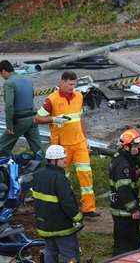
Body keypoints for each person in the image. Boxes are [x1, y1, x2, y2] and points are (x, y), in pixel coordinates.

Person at [35, 71, 99, 217]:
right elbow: (37, 119)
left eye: (74, 84)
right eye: (70, 84)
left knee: (86, 174)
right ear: (62, 82)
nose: (72, 87)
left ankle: (88, 208)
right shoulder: (51, 99)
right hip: (61, 146)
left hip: (79, 143)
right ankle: (67, 207)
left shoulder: (79, 96)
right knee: (63, 178)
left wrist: (85, 138)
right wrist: (53, 119)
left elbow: (80, 118)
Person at [32, 145, 84, 263]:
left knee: (50, 253)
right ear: (53, 160)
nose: (65, 160)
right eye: (62, 158)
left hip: (44, 225)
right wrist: (78, 217)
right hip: (62, 228)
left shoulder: (38, 175)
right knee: (70, 256)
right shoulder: (59, 178)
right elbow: (67, 203)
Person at [109, 129, 140, 256]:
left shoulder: (123, 159)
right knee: (126, 246)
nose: (138, 149)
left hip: (121, 209)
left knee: (125, 243)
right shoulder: (123, 164)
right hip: (124, 212)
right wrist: (133, 209)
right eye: (135, 146)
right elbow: (124, 189)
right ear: (126, 146)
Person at [0, 60, 42, 157]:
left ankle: (7, 166)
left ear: (3, 71)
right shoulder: (27, 79)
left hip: (20, 120)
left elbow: (9, 106)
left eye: (1, 74)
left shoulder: (9, 83)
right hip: (33, 118)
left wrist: (9, 125)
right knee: (38, 149)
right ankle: (46, 167)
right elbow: (31, 96)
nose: (2, 77)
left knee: (2, 145)